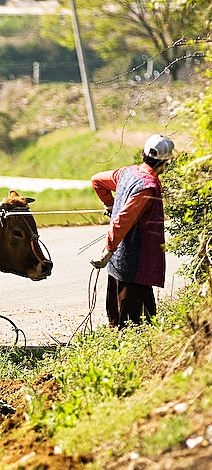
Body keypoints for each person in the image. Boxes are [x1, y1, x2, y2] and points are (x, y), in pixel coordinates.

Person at [90, 134, 174, 329]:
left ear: (144, 154)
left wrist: (110, 204)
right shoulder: (148, 186)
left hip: (118, 262)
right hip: (134, 264)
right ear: (166, 163)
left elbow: (97, 180)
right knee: (136, 324)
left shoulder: (127, 172)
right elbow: (122, 220)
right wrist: (107, 250)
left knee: (118, 320)